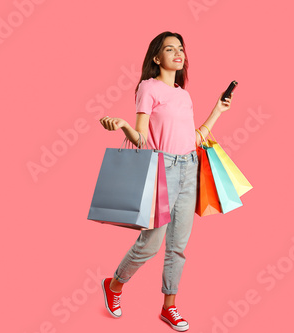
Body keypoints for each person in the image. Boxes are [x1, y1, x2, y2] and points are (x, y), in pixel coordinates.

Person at [98, 31, 232, 332]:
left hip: (189, 167)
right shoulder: (148, 88)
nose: (178, 53)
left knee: (179, 247)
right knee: (151, 243)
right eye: (170, 49)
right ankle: (114, 284)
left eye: (181, 48)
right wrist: (122, 125)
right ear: (156, 58)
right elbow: (141, 137)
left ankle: (169, 306)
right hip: (162, 168)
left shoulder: (184, 95)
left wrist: (217, 112)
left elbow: (193, 137)